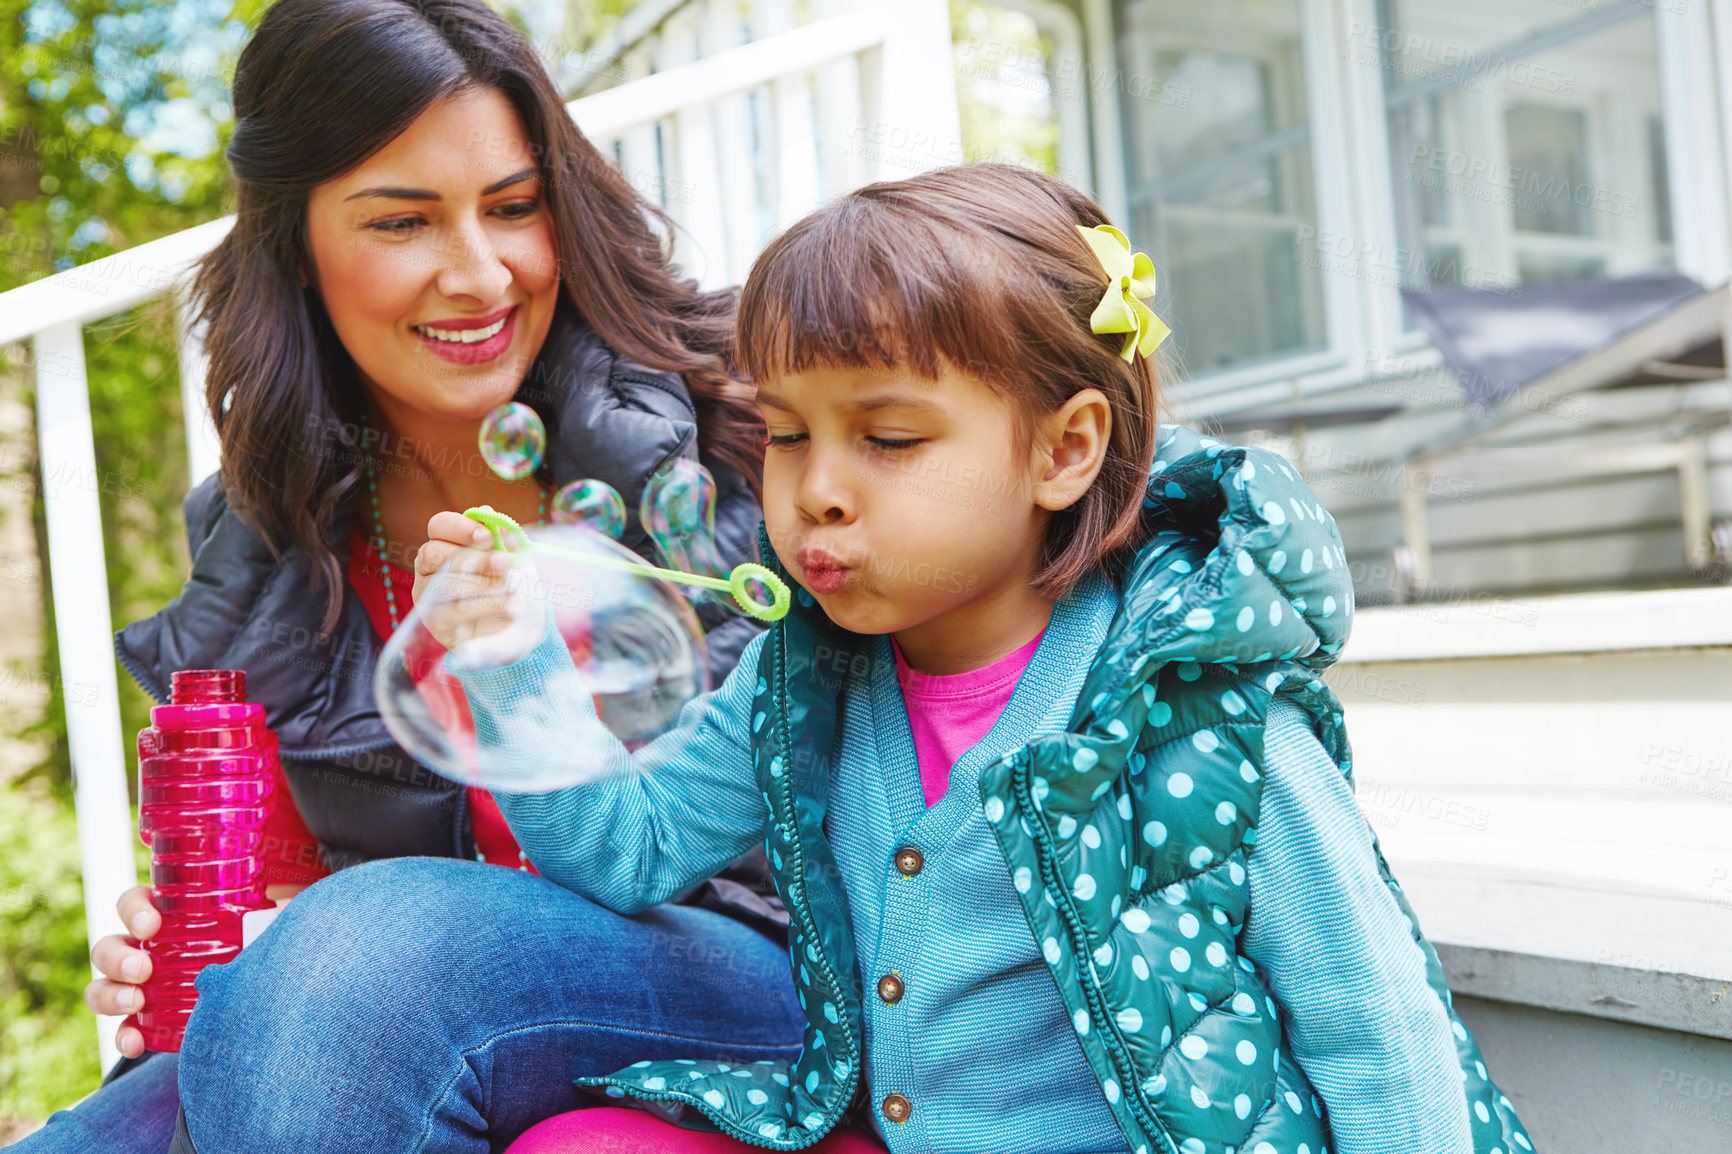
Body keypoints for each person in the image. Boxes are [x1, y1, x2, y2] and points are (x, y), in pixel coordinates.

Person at [170, 164, 1535, 1154]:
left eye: (887, 439)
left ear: (1062, 451)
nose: (816, 490)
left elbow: (1378, 1028)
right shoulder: (808, 676)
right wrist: (521, 668)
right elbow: (628, 850)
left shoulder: (1194, 715)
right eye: (787, 433)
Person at [15, 1, 792, 1151]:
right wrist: (211, 951)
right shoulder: (264, 535)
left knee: (357, 963)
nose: (479, 274)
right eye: (403, 222)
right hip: (404, 1014)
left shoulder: (745, 419)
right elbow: (279, 890)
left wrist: (319, 950)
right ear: (297, 241)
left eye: (515, 207)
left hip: (747, 968)